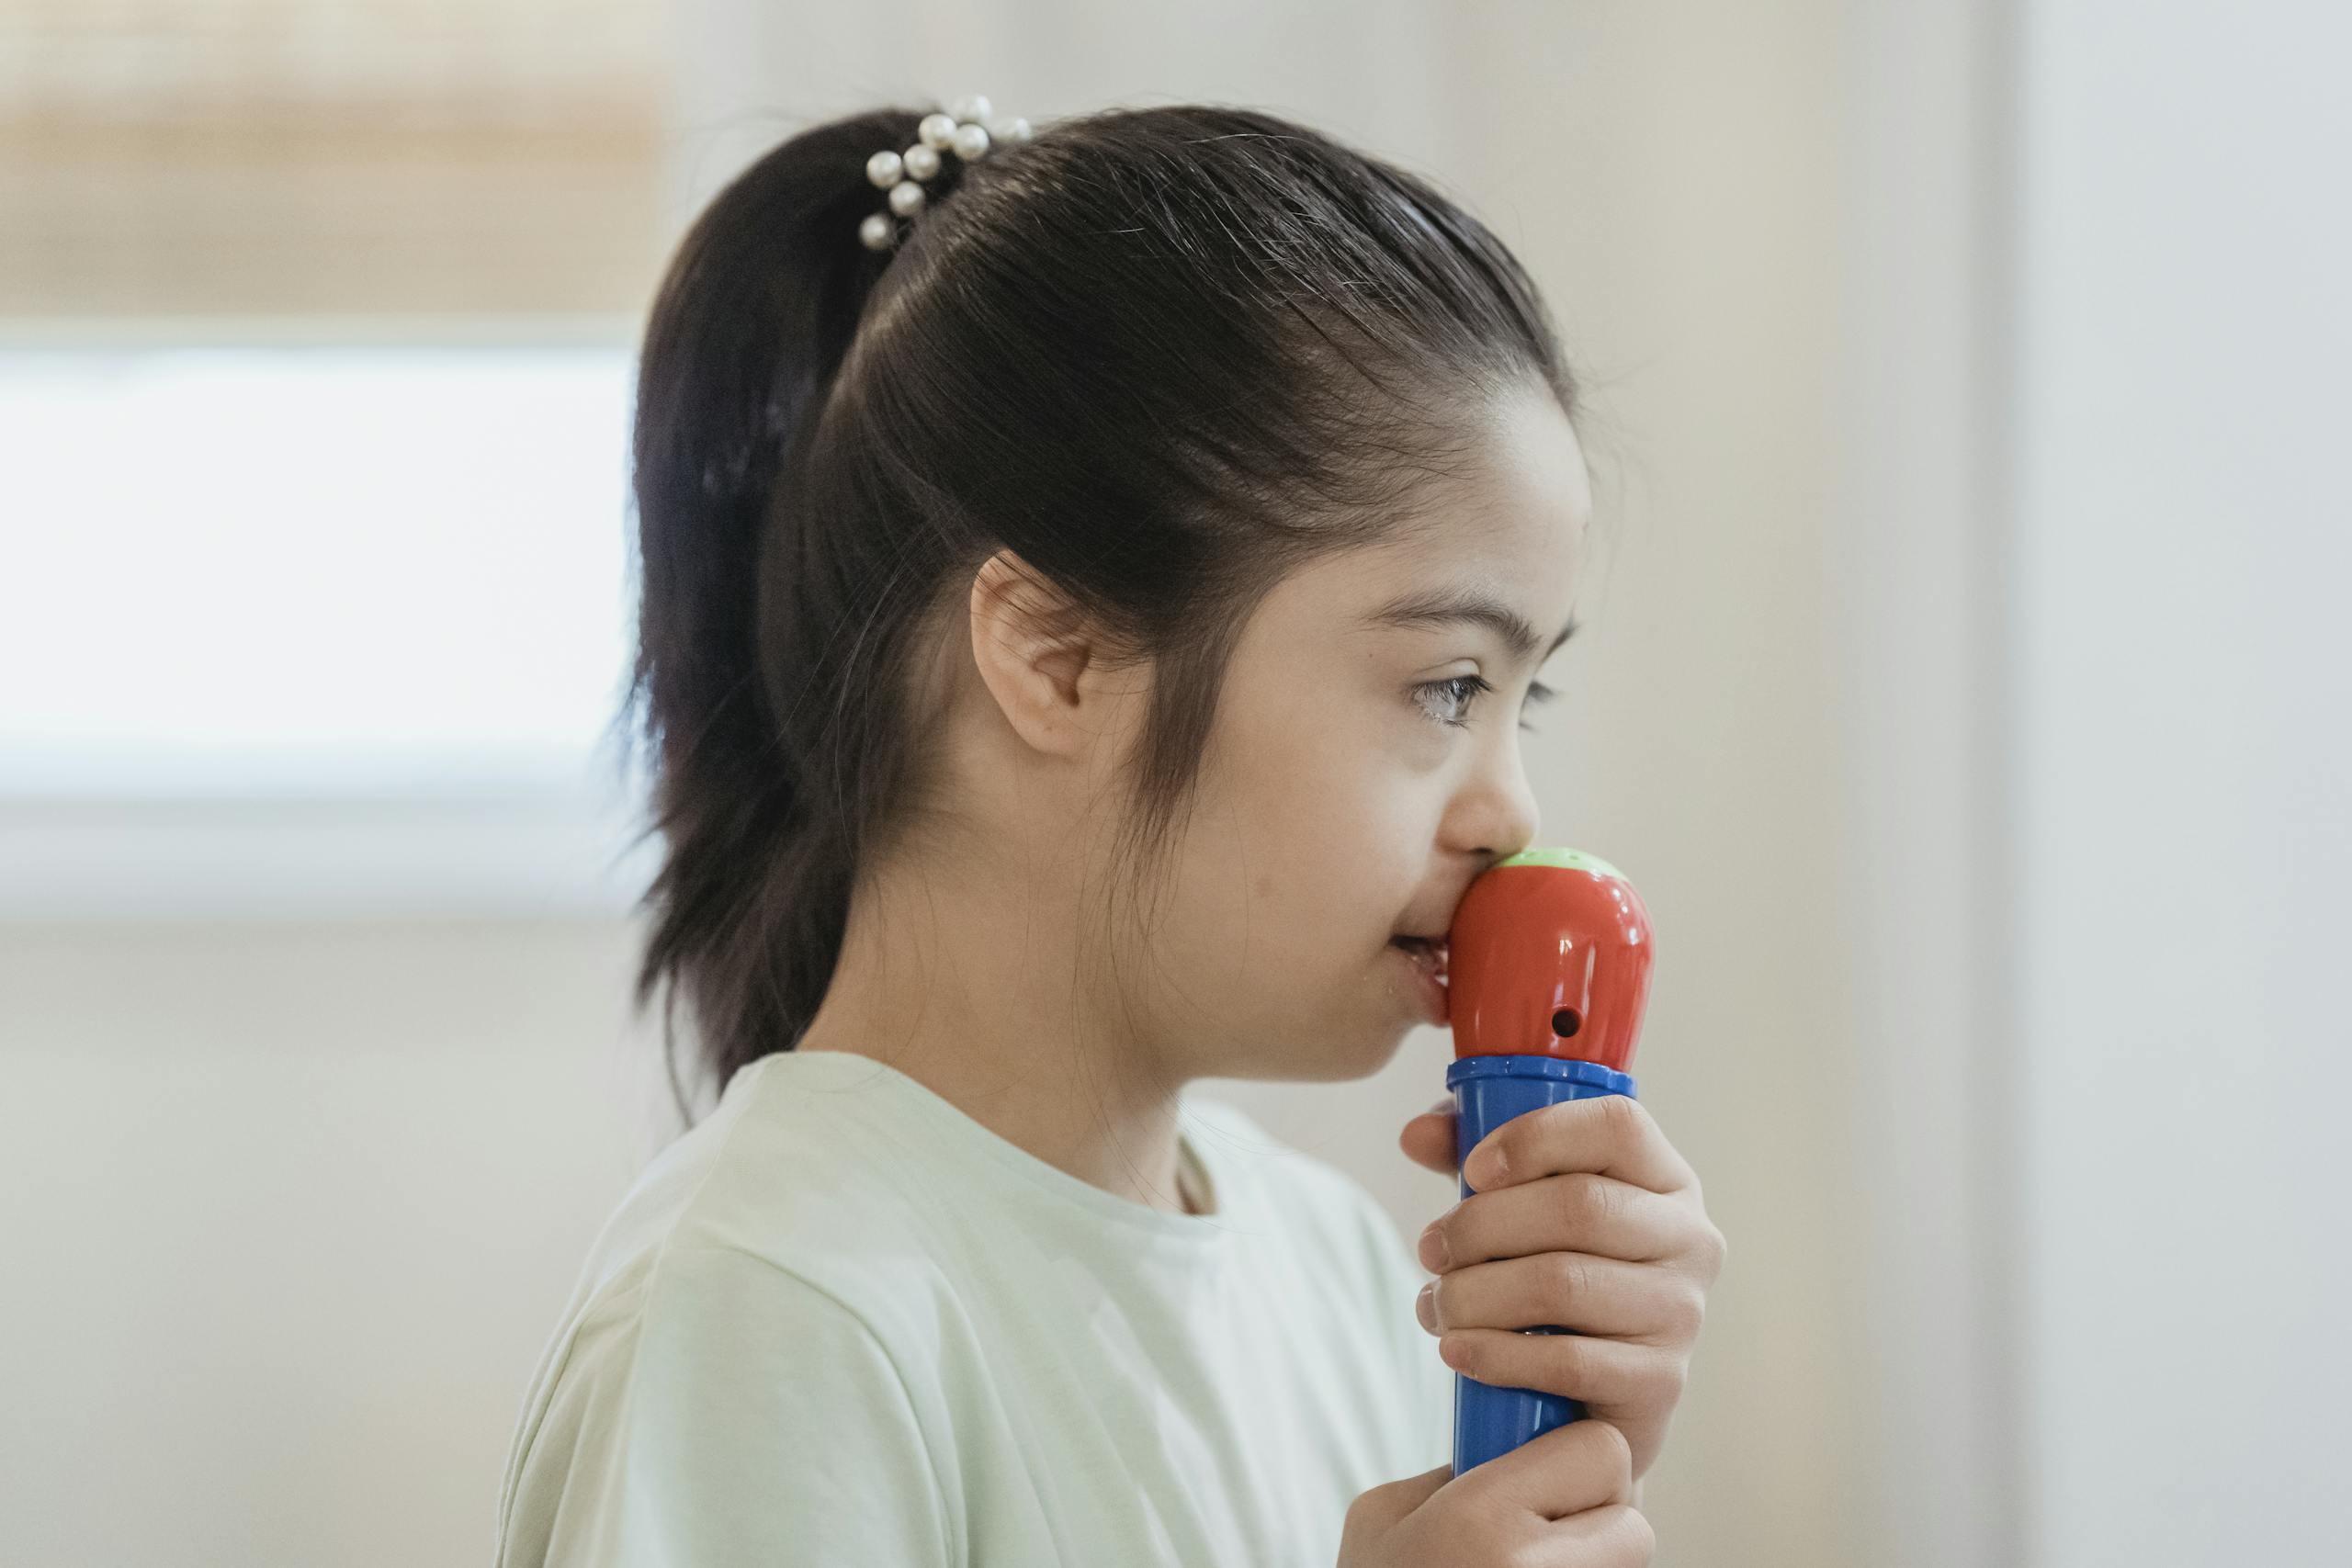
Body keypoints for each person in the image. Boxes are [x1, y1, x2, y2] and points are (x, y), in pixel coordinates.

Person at [493, 97, 1724, 1568]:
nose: (1511, 812)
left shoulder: (1333, 1262)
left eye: (1527, 695)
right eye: (1447, 685)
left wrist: (1567, 1448)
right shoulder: (770, 1304)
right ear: (1058, 658)